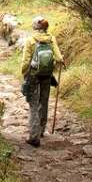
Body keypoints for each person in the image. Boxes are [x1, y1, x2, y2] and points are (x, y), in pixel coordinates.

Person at [21, 16, 63, 147]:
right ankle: (42, 130)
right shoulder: (51, 39)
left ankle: (34, 136)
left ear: (35, 27)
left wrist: (24, 73)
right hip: (46, 75)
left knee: (34, 104)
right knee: (43, 102)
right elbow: (59, 58)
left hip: (33, 76)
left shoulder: (30, 40)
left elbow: (25, 62)